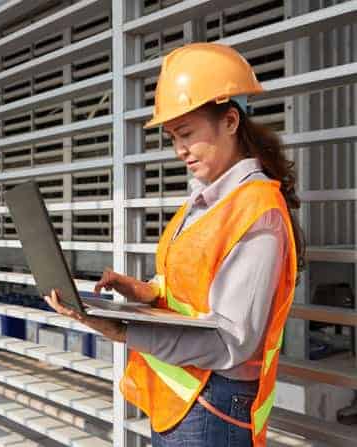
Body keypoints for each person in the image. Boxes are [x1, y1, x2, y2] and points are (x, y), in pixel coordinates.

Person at [43, 42, 305, 446]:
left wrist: (121, 329)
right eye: (172, 137)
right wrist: (147, 293)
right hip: (185, 401)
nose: (179, 149)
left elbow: (231, 341)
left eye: (187, 134)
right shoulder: (202, 202)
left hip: (215, 405)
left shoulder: (258, 211)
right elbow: (192, 287)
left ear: (231, 121)